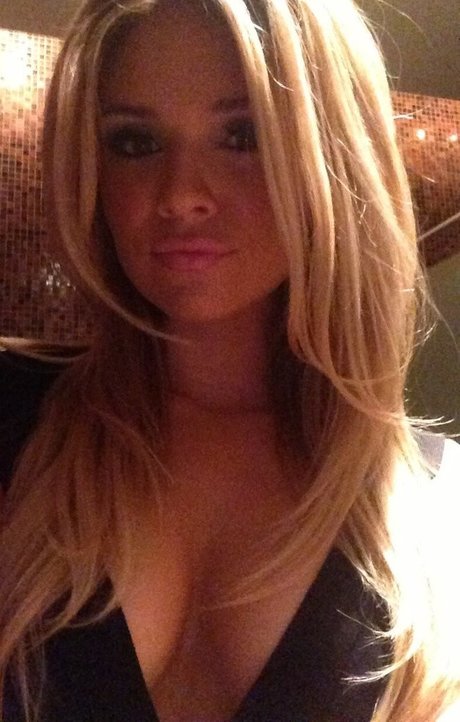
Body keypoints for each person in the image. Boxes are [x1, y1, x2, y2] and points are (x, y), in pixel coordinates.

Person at [0, 0, 459, 720]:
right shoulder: (14, 416)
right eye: (135, 142)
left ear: (335, 158)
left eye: (244, 135)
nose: (182, 195)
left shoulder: (437, 504)